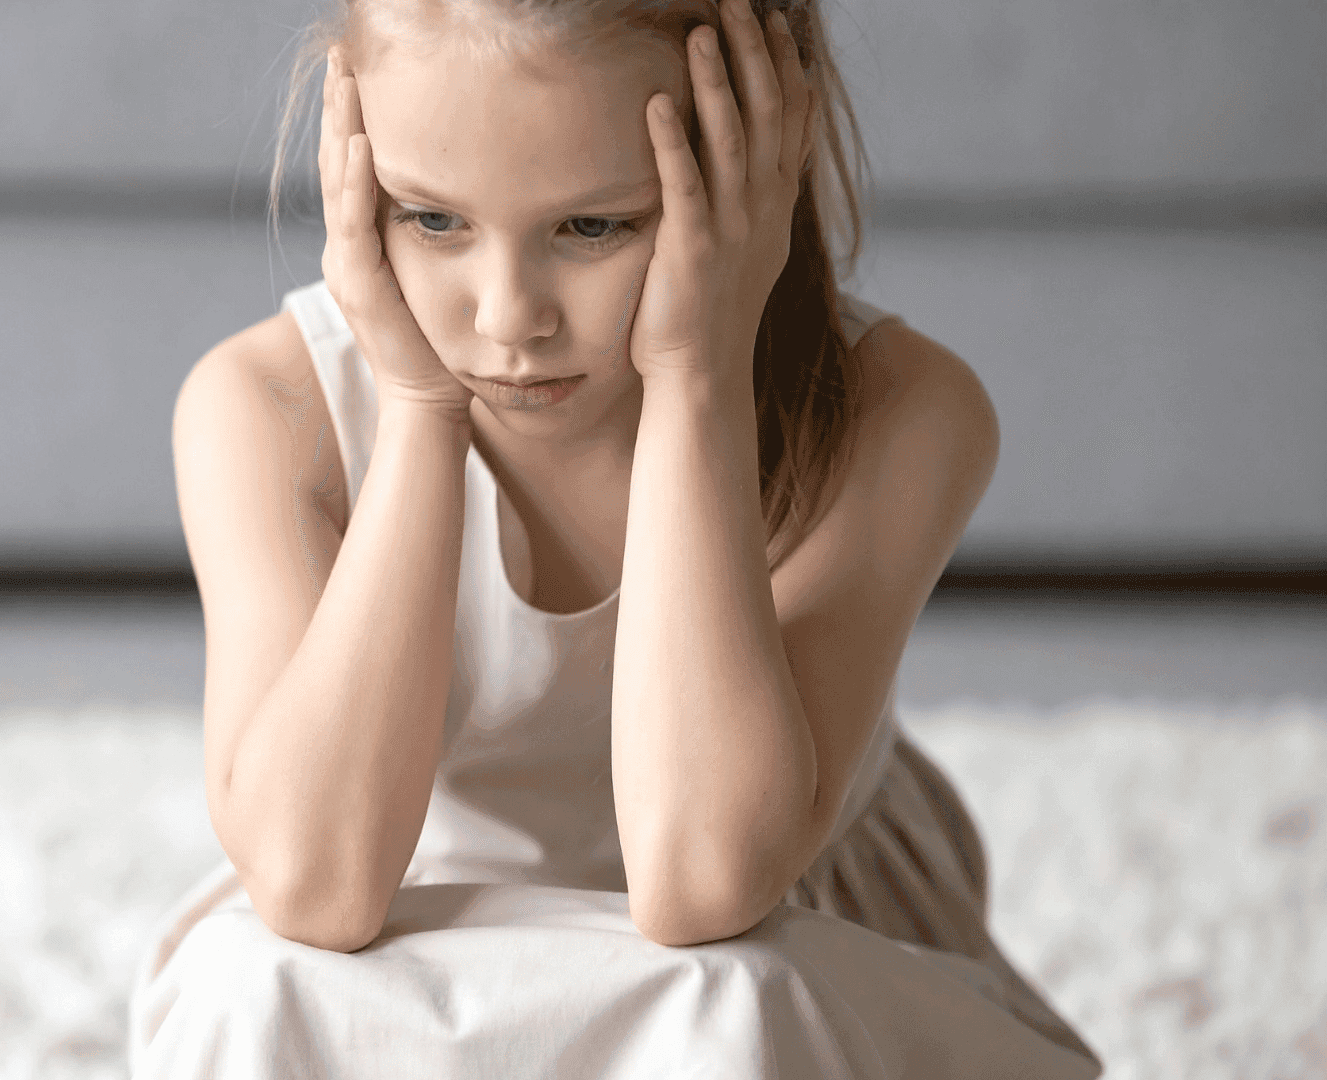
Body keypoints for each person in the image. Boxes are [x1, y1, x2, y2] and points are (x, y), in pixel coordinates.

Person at [130, 0, 1102, 1074]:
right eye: (430, 219)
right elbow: (316, 883)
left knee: (736, 996)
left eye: (593, 227)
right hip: (417, 939)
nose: (508, 319)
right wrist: (416, 410)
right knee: (253, 986)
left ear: (765, 142)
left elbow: (703, 881)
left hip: (762, 968)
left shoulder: (905, 412)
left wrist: (697, 379)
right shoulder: (262, 407)